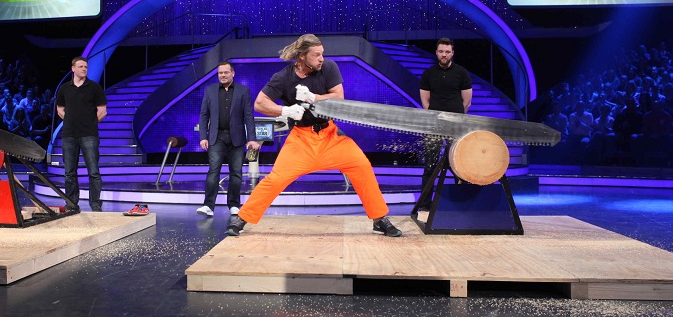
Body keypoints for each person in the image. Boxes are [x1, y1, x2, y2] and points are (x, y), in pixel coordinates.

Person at [226, 34, 401, 237]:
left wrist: (313, 97)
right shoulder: (283, 77)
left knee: (361, 166)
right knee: (275, 179)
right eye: (316, 55)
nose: (321, 58)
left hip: (330, 135)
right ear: (302, 56)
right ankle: (242, 218)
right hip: (301, 140)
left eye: (322, 54)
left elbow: (339, 98)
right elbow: (260, 103)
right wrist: (285, 111)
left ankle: (379, 219)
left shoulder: (328, 68)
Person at [197, 61, 262, 217]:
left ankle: (233, 205)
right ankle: (208, 206)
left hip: (237, 138)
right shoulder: (210, 90)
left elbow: (248, 116)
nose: (223, 75)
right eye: (220, 73)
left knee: (236, 173)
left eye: (226, 72)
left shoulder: (243, 91)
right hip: (216, 137)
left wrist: (252, 139)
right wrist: (203, 137)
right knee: (213, 171)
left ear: (233, 73)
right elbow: (204, 115)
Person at [418, 37, 473, 209]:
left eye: (447, 52)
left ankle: (461, 205)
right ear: (436, 52)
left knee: (458, 165)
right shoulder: (428, 73)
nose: (444, 54)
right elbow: (425, 102)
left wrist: (457, 120)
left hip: (456, 126)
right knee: (430, 166)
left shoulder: (461, 73)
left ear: (452, 53)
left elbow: (466, 103)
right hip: (434, 125)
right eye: (441, 51)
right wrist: (434, 119)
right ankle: (425, 205)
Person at [55, 56, 107, 213]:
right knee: (69, 173)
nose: (84, 69)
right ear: (73, 69)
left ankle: (95, 204)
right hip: (69, 135)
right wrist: (71, 121)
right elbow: (60, 110)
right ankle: (71, 203)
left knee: (94, 172)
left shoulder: (94, 87)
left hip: (89, 134)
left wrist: (90, 123)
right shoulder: (64, 88)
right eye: (81, 66)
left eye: (85, 67)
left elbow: (102, 111)